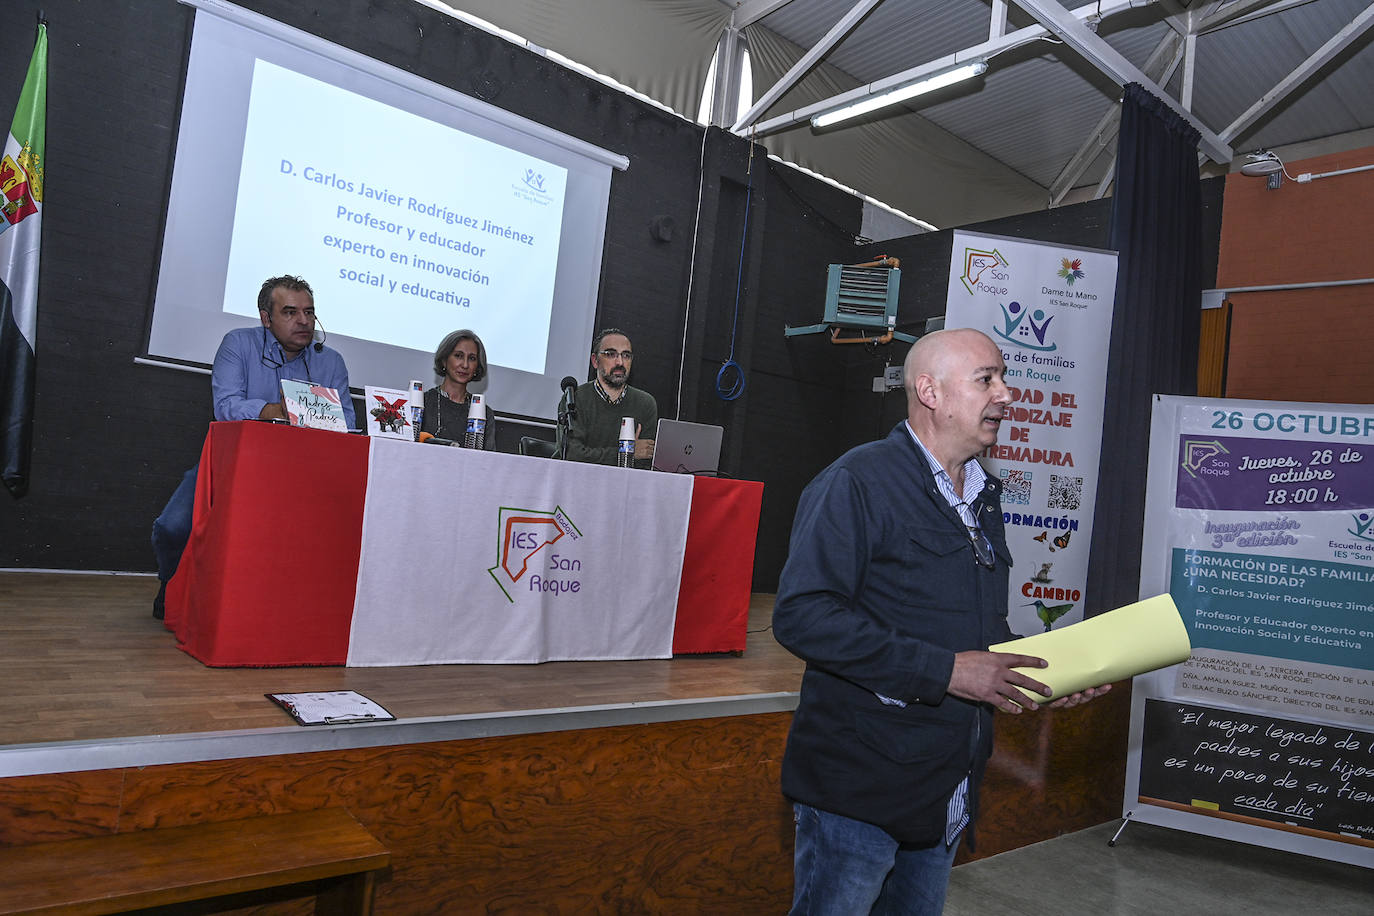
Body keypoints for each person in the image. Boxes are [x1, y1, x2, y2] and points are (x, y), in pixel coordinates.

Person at [772, 328, 1108, 915]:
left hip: (946, 785)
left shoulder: (983, 496)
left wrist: (1047, 673)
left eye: (1003, 378)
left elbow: (980, 636)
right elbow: (803, 616)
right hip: (862, 788)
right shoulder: (858, 482)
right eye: (988, 379)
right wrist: (949, 671)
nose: (1007, 394)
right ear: (929, 390)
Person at [149, 275, 354, 617]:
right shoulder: (238, 344)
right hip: (236, 464)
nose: (303, 321)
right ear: (265, 318)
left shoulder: (330, 361)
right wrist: (271, 410)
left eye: (309, 312)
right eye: (290, 312)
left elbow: (345, 422)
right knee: (174, 526)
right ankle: (171, 583)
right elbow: (225, 406)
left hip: (305, 474)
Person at [557, 328, 657, 467]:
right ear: (595, 361)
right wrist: (626, 452)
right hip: (579, 482)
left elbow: (646, 460)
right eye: (611, 354)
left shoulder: (645, 403)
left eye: (626, 355)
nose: (620, 362)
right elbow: (572, 454)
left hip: (625, 485)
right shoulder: (575, 399)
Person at [420, 329, 495, 449]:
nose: (465, 365)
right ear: (444, 360)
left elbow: (488, 461)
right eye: (458, 356)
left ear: (477, 366)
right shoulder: (422, 402)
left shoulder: (484, 413)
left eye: (472, 358)